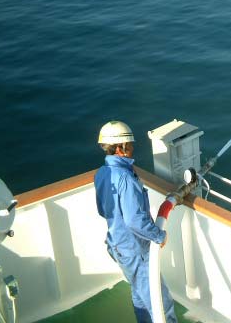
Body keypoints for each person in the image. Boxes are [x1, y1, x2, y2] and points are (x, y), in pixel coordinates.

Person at [94, 120, 178, 323]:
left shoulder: (101, 174)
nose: (133, 148)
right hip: (136, 251)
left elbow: (103, 210)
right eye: (130, 145)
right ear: (121, 148)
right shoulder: (126, 179)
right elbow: (134, 221)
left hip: (118, 246)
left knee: (140, 296)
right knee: (161, 303)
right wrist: (159, 236)